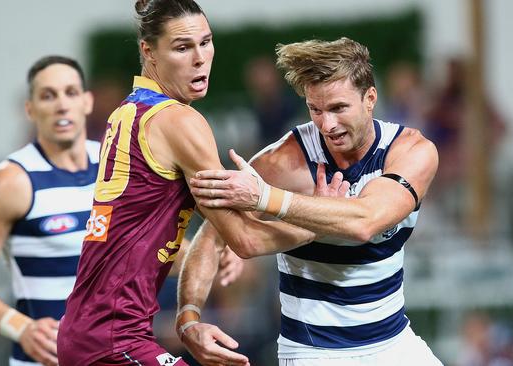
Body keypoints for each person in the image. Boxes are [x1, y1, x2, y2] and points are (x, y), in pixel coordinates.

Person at [56, 1, 320, 365]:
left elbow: (135, 231)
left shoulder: (127, 112)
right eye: (183, 47)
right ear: (149, 52)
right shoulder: (180, 121)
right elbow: (247, 239)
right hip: (114, 337)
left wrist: (196, 291)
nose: (200, 58)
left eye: (206, 42)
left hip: (89, 331)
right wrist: (319, 223)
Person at [180, 37, 443, 365]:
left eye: (338, 108)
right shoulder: (286, 161)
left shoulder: (411, 152)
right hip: (314, 352)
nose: (327, 124)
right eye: (315, 109)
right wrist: (188, 316)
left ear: (370, 98)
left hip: (395, 344)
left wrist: (265, 198)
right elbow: (212, 237)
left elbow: (365, 222)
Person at [0, 56, 99, 366]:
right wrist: (21, 327)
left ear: (87, 102)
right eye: (48, 95)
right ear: (30, 109)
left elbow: (151, 248)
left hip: (112, 356)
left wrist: (212, 252)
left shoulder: (115, 165)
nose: (61, 105)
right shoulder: (14, 180)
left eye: (71, 93)